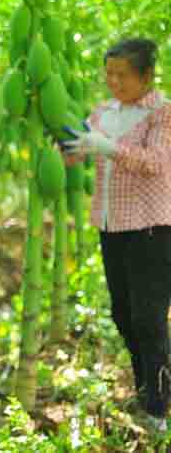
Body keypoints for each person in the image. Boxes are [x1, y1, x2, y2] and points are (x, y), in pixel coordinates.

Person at [63, 38, 171, 431]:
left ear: (145, 76)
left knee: (149, 318)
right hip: (111, 225)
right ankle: (148, 388)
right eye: (109, 73)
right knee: (123, 314)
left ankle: (158, 408)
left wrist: (107, 147)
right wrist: (71, 147)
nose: (113, 81)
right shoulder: (103, 112)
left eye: (122, 75)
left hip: (151, 227)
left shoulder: (162, 112)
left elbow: (157, 163)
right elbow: (82, 153)